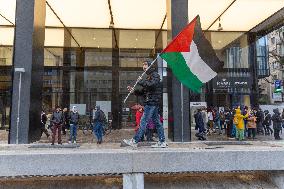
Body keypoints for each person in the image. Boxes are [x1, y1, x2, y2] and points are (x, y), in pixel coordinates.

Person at [122, 60, 167, 148]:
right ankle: (162, 141)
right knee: (157, 122)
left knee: (143, 121)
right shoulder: (148, 77)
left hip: (152, 102)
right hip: (151, 102)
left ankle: (135, 140)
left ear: (150, 66)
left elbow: (152, 85)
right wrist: (134, 91)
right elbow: (143, 92)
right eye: (143, 65)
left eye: (145, 64)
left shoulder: (155, 75)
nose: (144, 66)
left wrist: (141, 81)